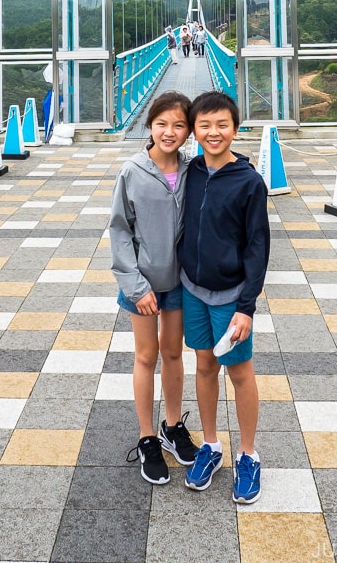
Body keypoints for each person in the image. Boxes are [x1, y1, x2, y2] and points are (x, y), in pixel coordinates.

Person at [178, 91, 270, 504]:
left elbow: (257, 248)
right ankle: (211, 446)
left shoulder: (249, 182)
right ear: (193, 131)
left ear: (235, 128)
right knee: (203, 364)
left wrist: (247, 307)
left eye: (222, 125)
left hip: (231, 295)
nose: (213, 133)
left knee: (239, 372)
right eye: (205, 125)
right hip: (193, 289)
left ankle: (248, 454)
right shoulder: (191, 170)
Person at [109, 91, 199, 484]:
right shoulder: (132, 171)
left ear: (188, 131)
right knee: (146, 357)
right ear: (150, 125)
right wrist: (135, 285)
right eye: (162, 123)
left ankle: (173, 426)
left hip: (179, 282)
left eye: (179, 125)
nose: (170, 131)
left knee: (174, 354)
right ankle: (147, 437)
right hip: (142, 284)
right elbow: (119, 231)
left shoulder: (194, 170)